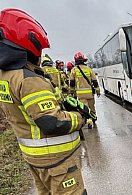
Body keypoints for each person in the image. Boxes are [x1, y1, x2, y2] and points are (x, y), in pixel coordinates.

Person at [0, 8, 88, 194]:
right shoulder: (28, 79)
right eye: (39, 49)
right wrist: (80, 117)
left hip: (36, 159)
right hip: (57, 162)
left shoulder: (5, 77)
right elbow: (52, 122)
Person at [70, 52, 100, 129]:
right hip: (90, 93)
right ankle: (94, 118)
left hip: (80, 94)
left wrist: (72, 92)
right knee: (92, 107)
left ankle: (89, 120)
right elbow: (95, 81)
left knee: (85, 108)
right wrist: (98, 91)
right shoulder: (89, 69)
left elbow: (72, 83)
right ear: (83, 60)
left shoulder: (74, 70)